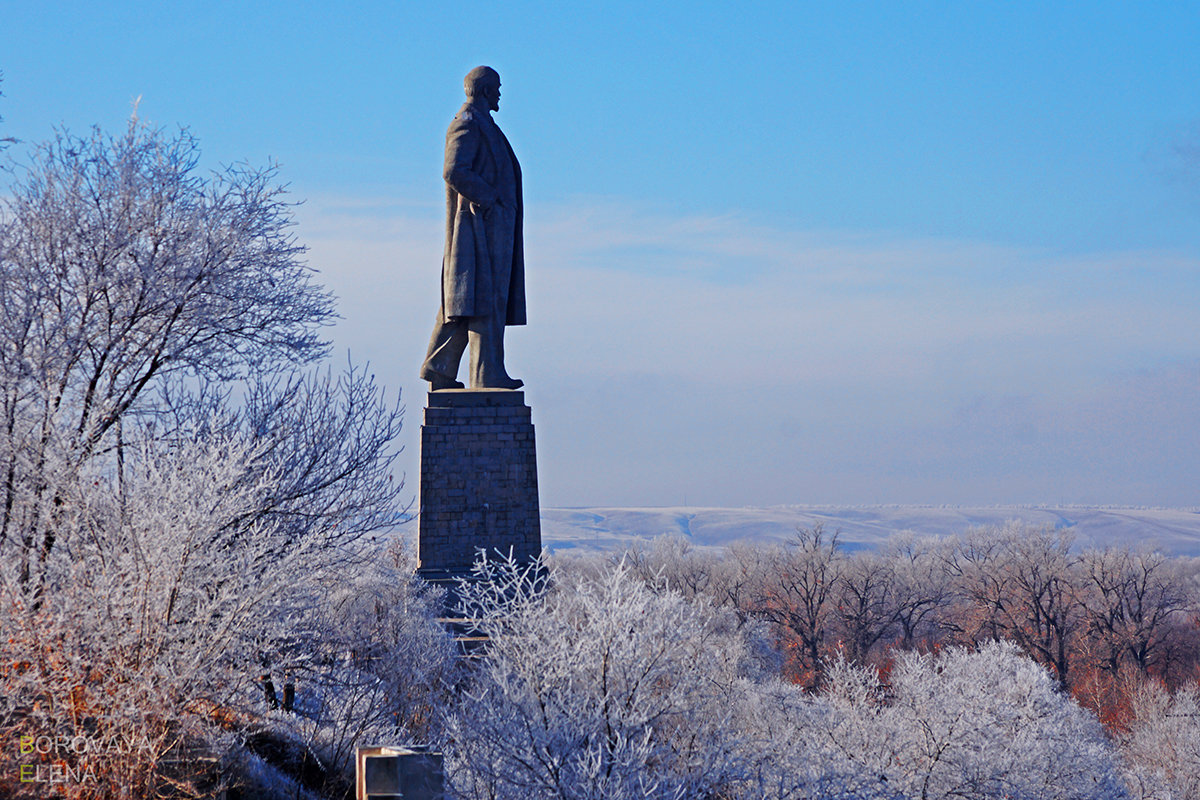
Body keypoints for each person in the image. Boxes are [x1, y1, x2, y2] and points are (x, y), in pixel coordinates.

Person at [420, 66, 526, 390]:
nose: (499, 93)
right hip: (478, 228)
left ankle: (445, 368)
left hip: (495, 227)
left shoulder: (485, 124)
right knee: (477, 299)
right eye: (496, 87)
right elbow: (453, 170)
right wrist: (490, 199)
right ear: (483, 90)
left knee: (478, 300)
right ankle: (485, 373)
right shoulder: (466, 122)